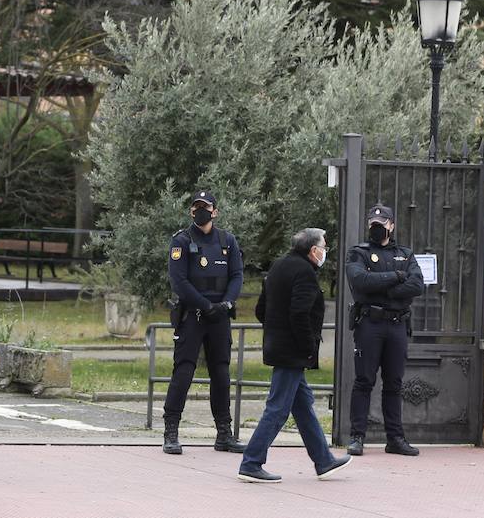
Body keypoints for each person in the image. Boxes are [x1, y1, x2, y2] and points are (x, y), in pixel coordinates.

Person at [238, 228, 352, 483]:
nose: (325, 251)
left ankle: (323, 461)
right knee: (277, 408)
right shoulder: (305, 273)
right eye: (324, 247)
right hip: (292, 352)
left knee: (303, 406)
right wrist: (308, 347)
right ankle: (251, 462)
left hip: (280, 347)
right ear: (313, 250)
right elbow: (300, 314)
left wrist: (275, 332)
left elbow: (260, 310)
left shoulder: (278, 266)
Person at [162, 190, 245, 455]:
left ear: (215, 211)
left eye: (206, 207)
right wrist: (205, 305)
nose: (201, 211)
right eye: (197, 207)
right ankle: (171, 432)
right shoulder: (182, 241)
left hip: (219, 317)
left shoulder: (227, 240)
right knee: (183, 372)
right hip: (193, 316)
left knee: (221, 374)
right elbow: (179, 282)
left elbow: (237, 276)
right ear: (191, 212)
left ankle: (224, 433)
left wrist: (226, 304)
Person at [345, 203, 425, 457]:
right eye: (373, 224)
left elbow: (417, 285)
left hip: (397, 324)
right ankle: (357, 436)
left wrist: (383, 288)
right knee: (364, 381)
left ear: (392, 225)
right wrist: (396, 277)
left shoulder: (405, 253)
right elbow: (359, 282)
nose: (377, 227)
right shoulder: (359, 252)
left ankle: (395, 438)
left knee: (394, 383)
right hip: (370, 323)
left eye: (382, 223)